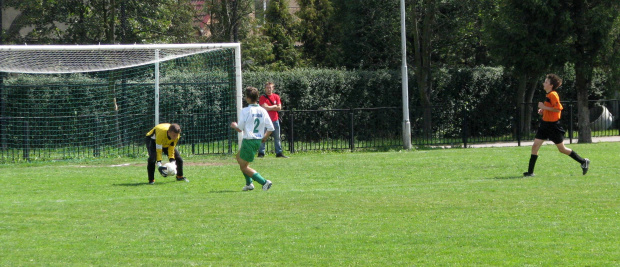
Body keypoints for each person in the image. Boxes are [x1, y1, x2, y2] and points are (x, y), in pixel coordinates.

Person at [523, 74, 590, 177]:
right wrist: (543, 110)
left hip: (553, 126)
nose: (543, 83)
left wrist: (544, 107)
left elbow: (558, 109)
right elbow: (551, 109)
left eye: (546, 82)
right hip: (544, 125)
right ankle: (530, 172)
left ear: (551, 85)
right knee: (535, 147)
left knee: (562, 149)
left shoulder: (553, 95)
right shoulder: (548, 95)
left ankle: (583, 161)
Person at [230, 87, 275, 191]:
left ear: (248, 98)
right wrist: (264, 137)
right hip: (257, 140)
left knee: (244, 167)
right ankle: (249, 184)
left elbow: (240, 129)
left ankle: (264, 182)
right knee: (238, 157)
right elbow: (271, 128)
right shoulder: (262, 110)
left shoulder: (245, 111)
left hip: (249, 140)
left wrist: (234, 125)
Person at [258, 81, 288, 158]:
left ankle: (279, 153)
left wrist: (269, 107)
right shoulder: (262, 97)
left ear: (273, 88)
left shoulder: (276, 96)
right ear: (265, 88)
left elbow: (279, 107)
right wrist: (274, 107)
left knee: (277, 137)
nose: (269, 89)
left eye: (270, 88)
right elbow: (264, 108)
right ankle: (261, 153)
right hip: (265, 121)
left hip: (275, 120)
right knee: (263, 136)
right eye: (267, 88)